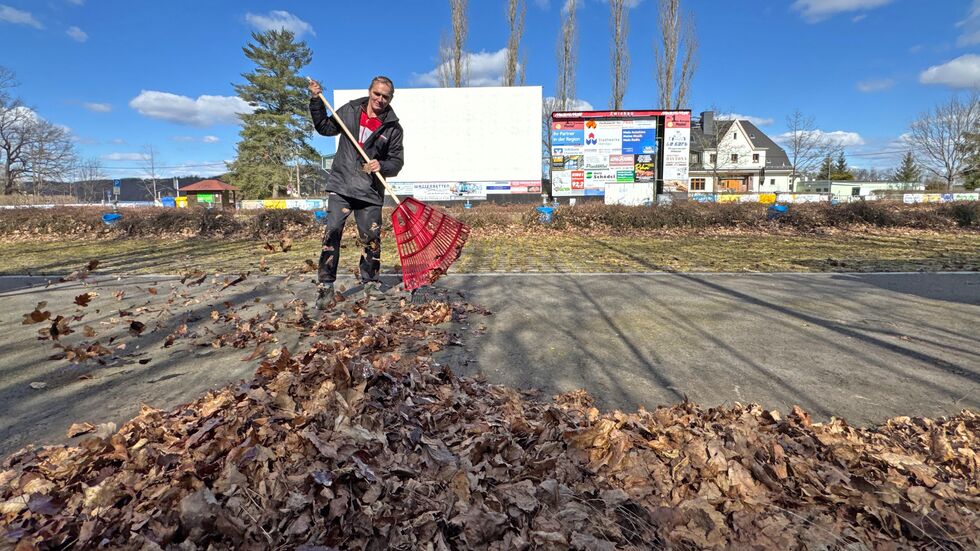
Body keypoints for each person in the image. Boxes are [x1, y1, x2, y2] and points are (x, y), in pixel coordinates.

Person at [308, 76, 404, 309]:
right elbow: (325, 128)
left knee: (371, 239)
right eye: (377, 94)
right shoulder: (350, 110)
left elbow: (397, 161)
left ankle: (370, 282)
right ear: (370, 92)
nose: (380, 99)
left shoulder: (393, 128)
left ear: (391, 98)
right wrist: (316, 101)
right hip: (341, 185)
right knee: (332, 234)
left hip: (369, 192)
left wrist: (382, 166)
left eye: (385, 96)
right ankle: (326, 287)